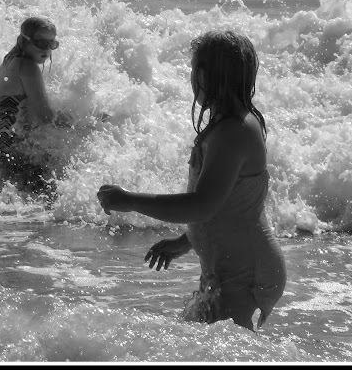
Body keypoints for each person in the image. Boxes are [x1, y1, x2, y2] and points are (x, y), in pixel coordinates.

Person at [97, 30, 286, 332]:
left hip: (247, 271)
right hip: (228, 264)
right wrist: (187, 241)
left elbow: (202, 205)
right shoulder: (225, 125)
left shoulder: (234, 132)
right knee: (197, 340)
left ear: (204, 75)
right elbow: (227, 205)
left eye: (193, 69)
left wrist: (130, 200)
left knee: (223, 349)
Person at [0, 16, 62, 189]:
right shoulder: (27, 66)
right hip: (7, 149)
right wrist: (80, 122)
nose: (47, 49)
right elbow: (45, 115)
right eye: (41, 43)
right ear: (24, 41)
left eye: (52, 44)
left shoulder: (10, 61)